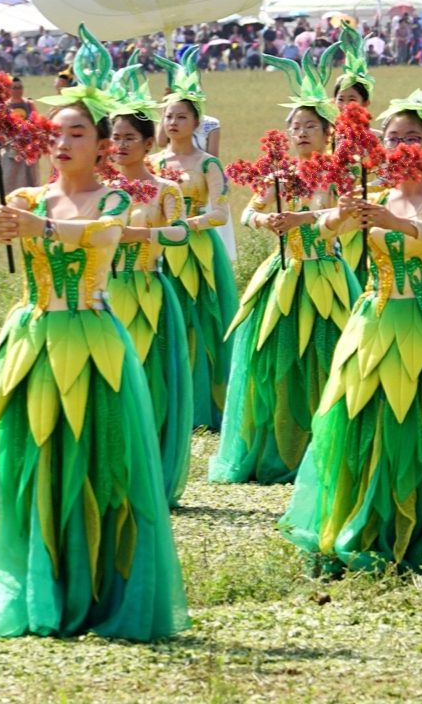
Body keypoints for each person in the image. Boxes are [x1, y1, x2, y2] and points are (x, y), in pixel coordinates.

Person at [0, 55, 187, 641]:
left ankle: (99, 585)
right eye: (56, 131)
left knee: (98, 457)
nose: (62, 141)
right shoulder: (30, 198)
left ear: (101, 146)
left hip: (91, 336)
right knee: (29, 459)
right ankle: (40, 579)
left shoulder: (114, 198)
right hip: (32, 336)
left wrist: (38, 229)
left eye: (77, 132)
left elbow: (102, 235)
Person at [281, 59, 422, 572]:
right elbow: (328, 226)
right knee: (356, 416)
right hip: (373, 317)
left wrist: (394, 221)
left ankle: (420, 529)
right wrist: (317, 214)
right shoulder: (373, 196)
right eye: (391, 138)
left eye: (412, 138)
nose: (400, 148)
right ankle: (359, 521)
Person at [209, 47, 359, 485]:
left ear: (328, 131)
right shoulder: (280, 176)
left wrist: (304, 218)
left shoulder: (338, 174)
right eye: (295, 126)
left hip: (327, 275)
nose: (301, 132)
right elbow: (246, 213)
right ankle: (276, 444)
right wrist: (266, 219)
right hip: (284, 272)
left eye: (310, 125)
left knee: (324, 355)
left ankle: (325, 444)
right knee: (275, 360)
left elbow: (347, 215)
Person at [96, 55, 193, 506]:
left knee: (149, 381)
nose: (119, 145)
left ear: (147, 142)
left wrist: (142, 234)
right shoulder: (98, 188)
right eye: (113, 137)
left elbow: (181, 232)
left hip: (148, 288)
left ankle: (148, 469)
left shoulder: (164, 189)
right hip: (103, 290)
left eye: (128, 137)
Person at [151, 50, 238, 433]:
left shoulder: (207, 164)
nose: (173, 122)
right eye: (168, 115)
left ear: (197, 122)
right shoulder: (152, 163)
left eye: (182, 116)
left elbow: (219, 213)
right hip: (158, 250)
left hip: (199, 249)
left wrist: (186, 224)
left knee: (199, 321)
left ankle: (202, 405)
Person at [330, 25, 380, 289]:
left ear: (366, 103)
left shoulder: (379, 138)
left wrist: (364, 192)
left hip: (368, 215)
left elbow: (388, 178)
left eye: (353, 99)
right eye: (340, 99)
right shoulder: (326, 140)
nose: (345, 105)